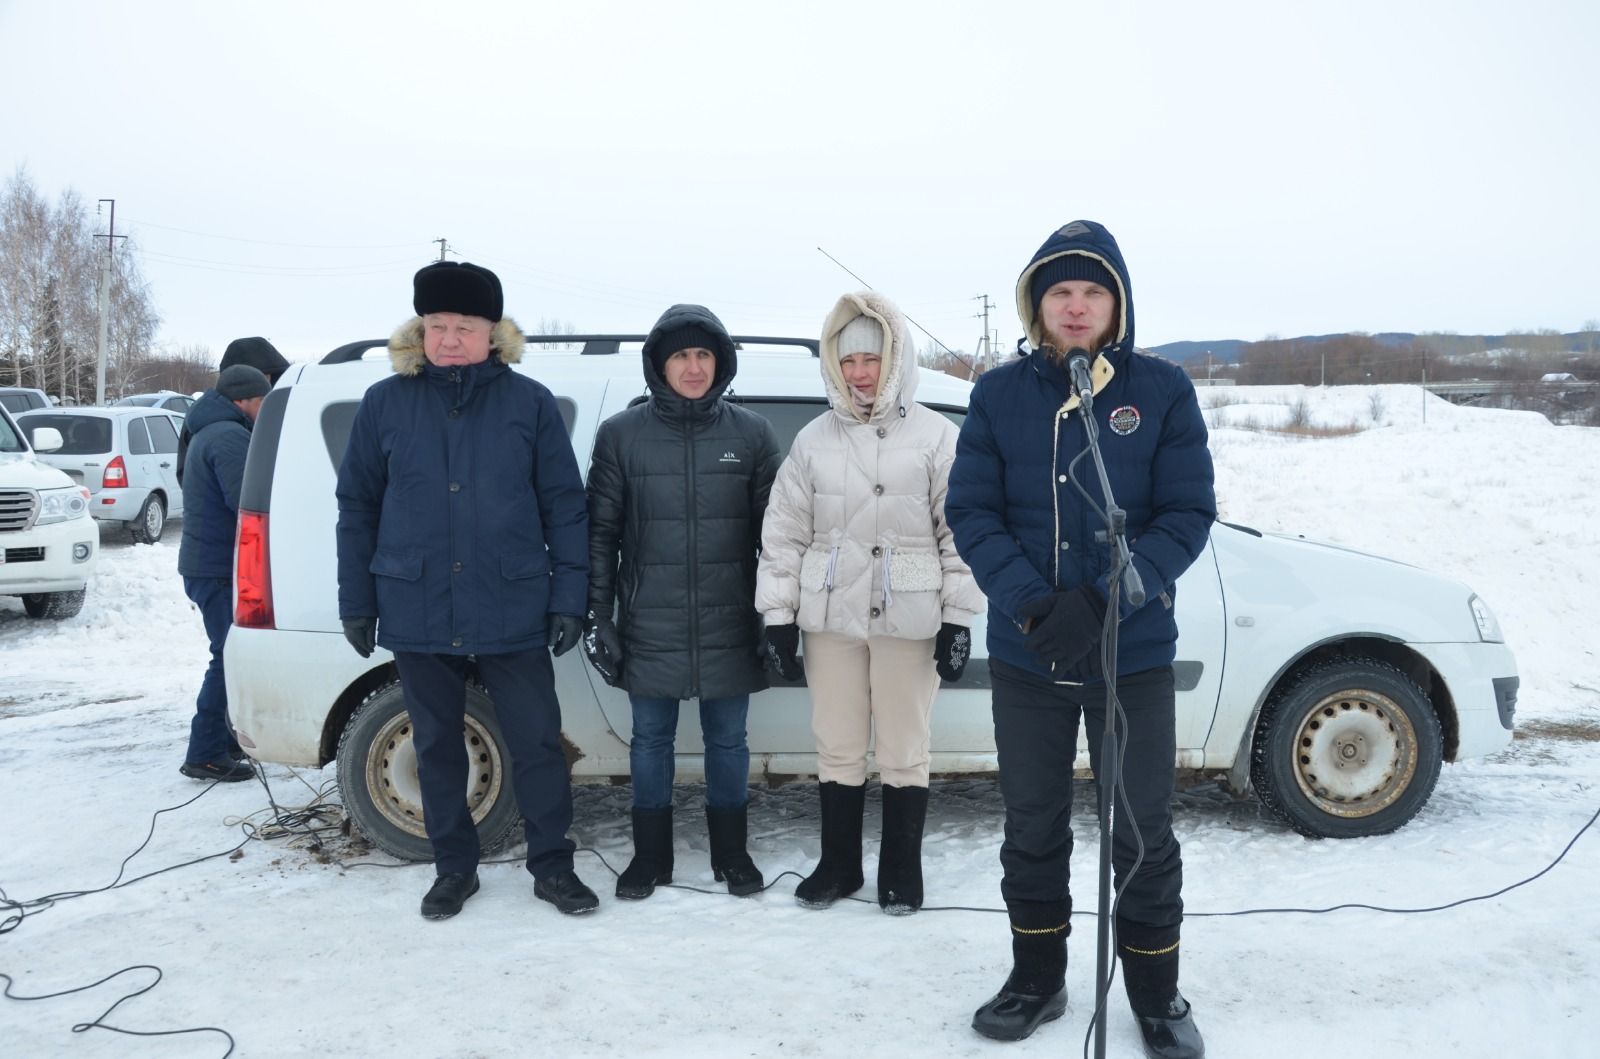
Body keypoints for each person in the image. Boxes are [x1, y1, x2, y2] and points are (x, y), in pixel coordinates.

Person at [946, 220, 1216, 1056]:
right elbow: (972, 512)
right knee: (1032, 825)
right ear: (1037, 303)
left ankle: (1157, 991)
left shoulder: (1162, 389)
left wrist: (1107, 601)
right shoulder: (996, 396)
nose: (1075, 306)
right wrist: (1033, 607)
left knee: (1141, 829)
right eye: (1060, 291)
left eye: (1092, 290)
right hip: (1031, 659)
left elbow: (1186, 514)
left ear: (1116, 304)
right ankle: (1037, 978)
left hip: (1129, 656)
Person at [336, 261, 596, 921]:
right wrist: (357, 599)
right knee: (436, 743)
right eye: (438, 326)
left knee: (537, 740)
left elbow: (565, 506)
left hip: (511, 599)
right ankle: (454, 868)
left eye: (465, 327)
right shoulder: (385, 403)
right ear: (420, 329)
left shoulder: (529, 403)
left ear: (493, 332)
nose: (450, 339)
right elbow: (357, 506)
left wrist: (570, 596)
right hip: (417, 599)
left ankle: (553, 867)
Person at [755, 291, 984, 915]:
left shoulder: (938, 437)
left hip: (910, 615)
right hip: (830, 616)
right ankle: (839, 865)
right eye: (848, 359)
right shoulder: (811, 441)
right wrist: (778, 618)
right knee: (838, 741)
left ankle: (900, 871)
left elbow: (961, 533)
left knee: (904, 746)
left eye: (872, 359)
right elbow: (783, 533)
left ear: (896, 360)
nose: (859, 372)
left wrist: (959, 619)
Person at [583, 305, 782, 900]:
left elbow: (776, 537)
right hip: (650, 621)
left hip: (730, 619)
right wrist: (599, 615)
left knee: (729, 742)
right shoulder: (622, 435)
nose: (693, 367)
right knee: (650, 742)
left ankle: (732, 855)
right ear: (659, 365)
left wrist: (777, 617)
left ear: (720, 363)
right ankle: (651, 859)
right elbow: (600, 535)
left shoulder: (751, 434)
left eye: (704, 355)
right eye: (680, 356)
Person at [176, 363, 273, 782]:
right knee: (228, 656)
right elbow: (246, 503)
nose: (264, 409)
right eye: (262, 401)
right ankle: (206, 752)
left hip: (208, 564)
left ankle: (224, 739)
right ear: (244, 400)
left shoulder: (212, 431)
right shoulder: (229, 437)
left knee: (230, 654)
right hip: (216, 568)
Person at [177, 337, 289, 485]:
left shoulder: (210, 414)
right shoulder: (219, 425)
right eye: (261, 378)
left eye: (268, 378)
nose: (265, 385)